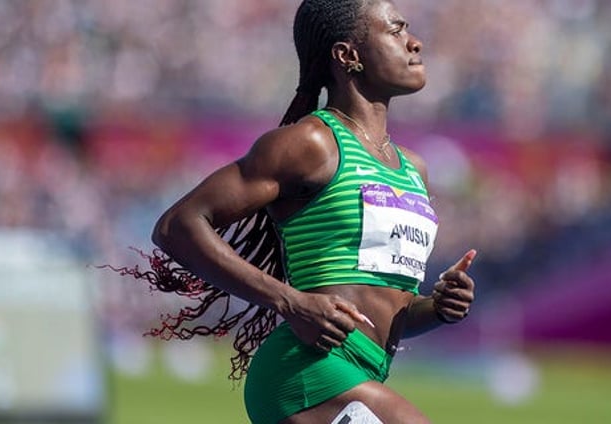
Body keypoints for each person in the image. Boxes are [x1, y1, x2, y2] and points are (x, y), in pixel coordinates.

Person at [147, 0, 477, 423]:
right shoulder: (313, 144)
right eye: (395, 31)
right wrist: (290, 301)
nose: (415, 43)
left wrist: (438, 308)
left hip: (364, 369)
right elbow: (178, 225)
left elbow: (385, 310)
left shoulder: (415, 170)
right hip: (305, 373)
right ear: (347, 55)